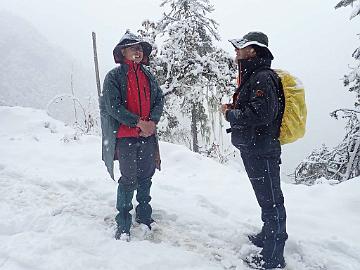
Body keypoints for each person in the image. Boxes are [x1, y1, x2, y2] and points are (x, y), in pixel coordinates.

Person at [220, 32, 288, 269]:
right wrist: (236, 108)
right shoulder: (253, 76)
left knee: (272, 201)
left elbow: (261, 114)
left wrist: (231, 114)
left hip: (262, 149)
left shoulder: (262, 77)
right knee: (266, 199)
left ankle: (273, 256)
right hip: (254, 148)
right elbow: (255, 108)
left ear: (254, 51)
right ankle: (267, 236)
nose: (237, 50)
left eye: (242, 47)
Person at [99, 30, 164, 241]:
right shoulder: (114, 76)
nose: (138, 51)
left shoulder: (148, 76)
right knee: (128, 179)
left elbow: (158, 100)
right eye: (133, 48)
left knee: (146, 176)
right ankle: (123, 222)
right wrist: (137, 122)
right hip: (126, 136)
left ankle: (144, 215)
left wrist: (152, 122)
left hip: (147, 136)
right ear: (123, 52)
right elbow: (112, 106)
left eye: (140, 48)